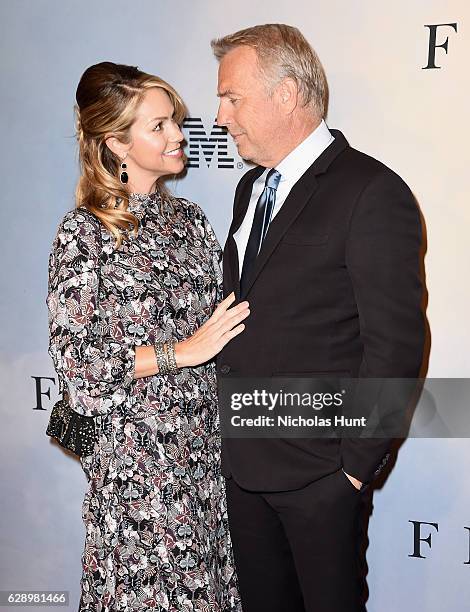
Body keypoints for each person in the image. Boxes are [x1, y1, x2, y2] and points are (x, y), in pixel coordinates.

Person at [211, 24, 425, 612]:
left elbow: (396, 346)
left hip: (320, 477)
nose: (221, 115)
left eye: (232, 97)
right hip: (244, 466)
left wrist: (352, 470)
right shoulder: (250, 188)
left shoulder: (371, 192)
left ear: (287, 94)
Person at [46, 61, 248, 612]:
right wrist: (179, 352)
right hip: (140, 471)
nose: (179, 135)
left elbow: (225, 324)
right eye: (158, 126)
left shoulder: (190, 220)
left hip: (205, 458)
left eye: (175, 121)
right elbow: (80, 363)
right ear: (116, 142)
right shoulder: (85, 231)